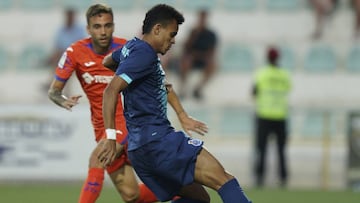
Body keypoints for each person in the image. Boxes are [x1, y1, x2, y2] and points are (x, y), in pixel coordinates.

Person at [100, 4, 252, 203]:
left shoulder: (131, 49)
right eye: (171, 35)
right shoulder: (144, 54)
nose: (173, 41)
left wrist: (182, 115)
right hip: (159, 142)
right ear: (157, 29)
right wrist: (111, 138)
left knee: (199, 199)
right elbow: (111, 91)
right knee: (224, 180)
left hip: (140, 151)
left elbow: (107, 61)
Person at [48, 4, 159, 203]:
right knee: (131, 195)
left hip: (128, 123)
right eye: (97, 26)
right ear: (88, 29)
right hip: (102, 128)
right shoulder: (75, 52)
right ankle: (182, 192)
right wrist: (63, 100)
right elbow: (54, 92)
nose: (103, 31)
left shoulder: (127, 49)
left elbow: (155, 78)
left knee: (96, 159)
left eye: (107, 26)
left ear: (113, 26)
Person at [251, 46, 292, 188]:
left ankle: (260, 178)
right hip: (281, 116)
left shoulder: (262, 73)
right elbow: (287, 89)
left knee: (261, 149)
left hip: (264, 115)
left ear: (267, 58)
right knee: (281, 150)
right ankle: (283, 179)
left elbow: (254, 92)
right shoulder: (284, 74)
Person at [44, 7, 87, 94]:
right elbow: (57, 47)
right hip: (63, 57)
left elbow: (82, 46)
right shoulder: (61, 31)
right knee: (58, 58)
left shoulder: (79, 30)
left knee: (63, 60)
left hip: (76, 56)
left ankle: (52, 83)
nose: (70, 18)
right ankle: (55, 83)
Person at [178, 9, 218, 100]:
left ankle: (198, 89)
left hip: (203, 58)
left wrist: (203, 56)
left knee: (212, 65)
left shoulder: (211, 34)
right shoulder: (193, 32)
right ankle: (183, 88)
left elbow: (212, 50)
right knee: (185, 61)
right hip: (192, 57)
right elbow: (186, 47)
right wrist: (195, 34)